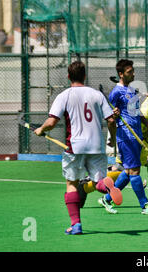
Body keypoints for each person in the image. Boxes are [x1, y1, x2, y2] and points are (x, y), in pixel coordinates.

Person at [34, 61, 122, 235]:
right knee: (98, 182)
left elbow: (52, 122)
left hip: (75, 147)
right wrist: (111, 139)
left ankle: (76, 225)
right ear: (84, 76)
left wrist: (41, 129)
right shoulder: (96, 94)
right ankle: (107, 188)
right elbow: (111, 120)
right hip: (96, 146)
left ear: (68, 76)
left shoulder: (64, 95)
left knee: (72, 184)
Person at [99, 59, 148, 215]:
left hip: (136, 135)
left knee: (128, 171)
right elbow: (108, 116)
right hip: (125, 135)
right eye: (130, 71)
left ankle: (107, 199)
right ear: (121, 74)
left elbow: (137, 112)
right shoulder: (115, 93)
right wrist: (115, 114)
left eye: (133, 70)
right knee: (135, 171)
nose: (133, 73)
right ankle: (145, 205)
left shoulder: (132, 90)